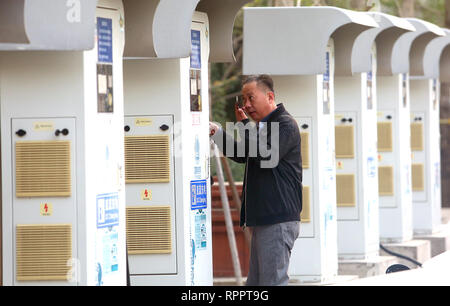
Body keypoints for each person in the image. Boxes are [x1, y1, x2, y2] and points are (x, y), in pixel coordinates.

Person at [210, 74, 303, 286]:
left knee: (272, 282)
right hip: (264, 219)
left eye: (251, 98)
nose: (247, 105)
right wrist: (217, 133)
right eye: (244, 100)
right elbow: (244, 153)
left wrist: (243, 124)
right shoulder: (263, 127)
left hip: (277, 219)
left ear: (269, 96)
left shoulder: (285, 124)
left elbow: (263, 153)